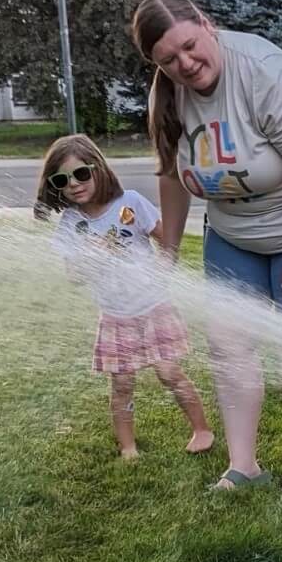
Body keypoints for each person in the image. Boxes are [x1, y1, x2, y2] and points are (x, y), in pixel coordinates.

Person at [131, 0, 282, 493]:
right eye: (168, 60)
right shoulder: (166, 94)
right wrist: (166, 253)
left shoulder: (262, 70)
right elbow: (172, 174)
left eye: (190, 46)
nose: (186, 64)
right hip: (233, 229)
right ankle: (243, 466)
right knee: (228, 343)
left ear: (207, 24)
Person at [35, 134, 213, 462]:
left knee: (169, 373)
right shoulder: (71, 224)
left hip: (152, 307)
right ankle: (128, 446)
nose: (74, 184)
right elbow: (73, 276)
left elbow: (166, 241)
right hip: (115, 316)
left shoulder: (129, 203)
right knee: (122, 384)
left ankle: (202, 429)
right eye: (63, 179)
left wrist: (161, 270)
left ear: (98, 169)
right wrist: (89, 258)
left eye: (81, 174)